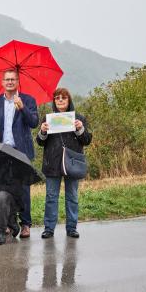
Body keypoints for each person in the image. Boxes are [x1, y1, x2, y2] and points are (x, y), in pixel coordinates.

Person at [37, 88, 92, 239]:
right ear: (54, 101)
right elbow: (40, 142)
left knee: (72, 196)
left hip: (72, 162)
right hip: (52, 163)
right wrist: (42, 131)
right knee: (51, 197)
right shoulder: (47, 119)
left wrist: (80, 128)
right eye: (57, 98)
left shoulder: (78, 118)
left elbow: (87, 140)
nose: (60, 100)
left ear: (69, 100)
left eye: (64, 98)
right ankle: (49, 228)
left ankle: (72, 228)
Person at [0, 69, 39, 238]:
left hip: (21, 150)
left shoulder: (28, 100)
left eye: (13, 79)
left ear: (18, 82)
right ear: (2, 82)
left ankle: (25, 224)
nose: (10, 82)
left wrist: (23, 108)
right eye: (7, 79)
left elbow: (34, 122)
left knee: (24, 189)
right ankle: (10, 224)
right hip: (2, 151)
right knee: (6, 188)